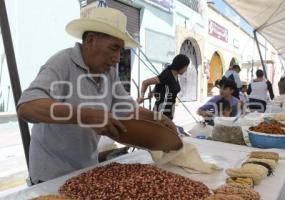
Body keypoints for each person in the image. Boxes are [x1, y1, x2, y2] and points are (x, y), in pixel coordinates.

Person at [17, 8, 176, 184]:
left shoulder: (109, 73)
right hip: (51, 176)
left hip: (87, 169)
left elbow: (127, 109)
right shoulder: (62, 62)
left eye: (120, 51)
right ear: (91, 40)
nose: (117, 58)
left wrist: (157, 118)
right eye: (114, 48)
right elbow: (27, 107)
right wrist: (86, 116)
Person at [137, 54, 190, 120]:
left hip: (169, 112)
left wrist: (153, 91)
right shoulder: (167, 75)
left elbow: (162, 84)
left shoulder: (175, 75)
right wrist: (141, 96)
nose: (186, 70)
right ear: (181, 65)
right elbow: (145, 82)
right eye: (186, 67)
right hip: (161, 112)